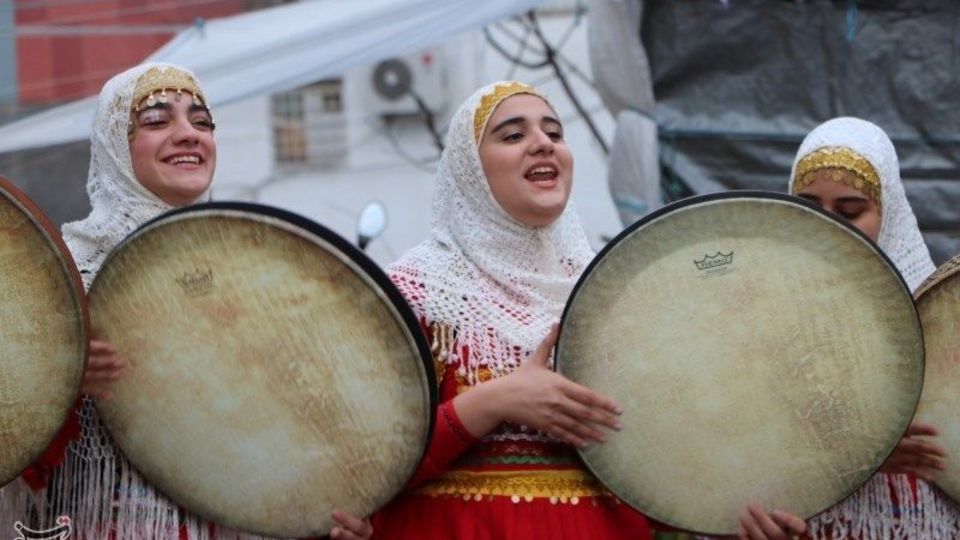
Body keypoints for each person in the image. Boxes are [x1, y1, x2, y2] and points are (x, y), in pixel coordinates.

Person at [0, 62, 370, 540]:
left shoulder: (254, 271)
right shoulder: (62, 278)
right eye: (157, 121)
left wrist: (331, 512)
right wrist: (54, 382)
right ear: (116, 145)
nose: (188, 135)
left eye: (202, 122)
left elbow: (291, 428)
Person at [366, 80, 652, 539]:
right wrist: (495, 401)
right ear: (469, 169)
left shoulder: (605, 291)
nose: (543, 143)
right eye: (514, 135)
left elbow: (658, 469)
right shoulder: (419, 287)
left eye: (555, 134)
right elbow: (363, 466)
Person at [738, 116, 960, 539]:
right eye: (807, 205)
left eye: (851, 210)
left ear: (888, 214)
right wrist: (862, 452)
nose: (829, 224)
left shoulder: (940, 324)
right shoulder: (751, 321)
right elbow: (714, 453)